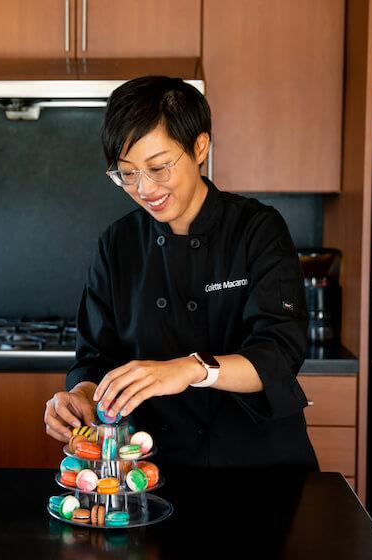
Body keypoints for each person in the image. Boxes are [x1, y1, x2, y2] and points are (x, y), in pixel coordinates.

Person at [43, 76, 318, 469]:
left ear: (199, 146)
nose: (144, 188)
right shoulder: (117, 245)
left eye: (158, 167)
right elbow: (95, 358)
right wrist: (81, 397)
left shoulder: (257, 229)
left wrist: (191, 368)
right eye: (127, 173)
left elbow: (279, 355)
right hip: (154, 468)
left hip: (259, 466)